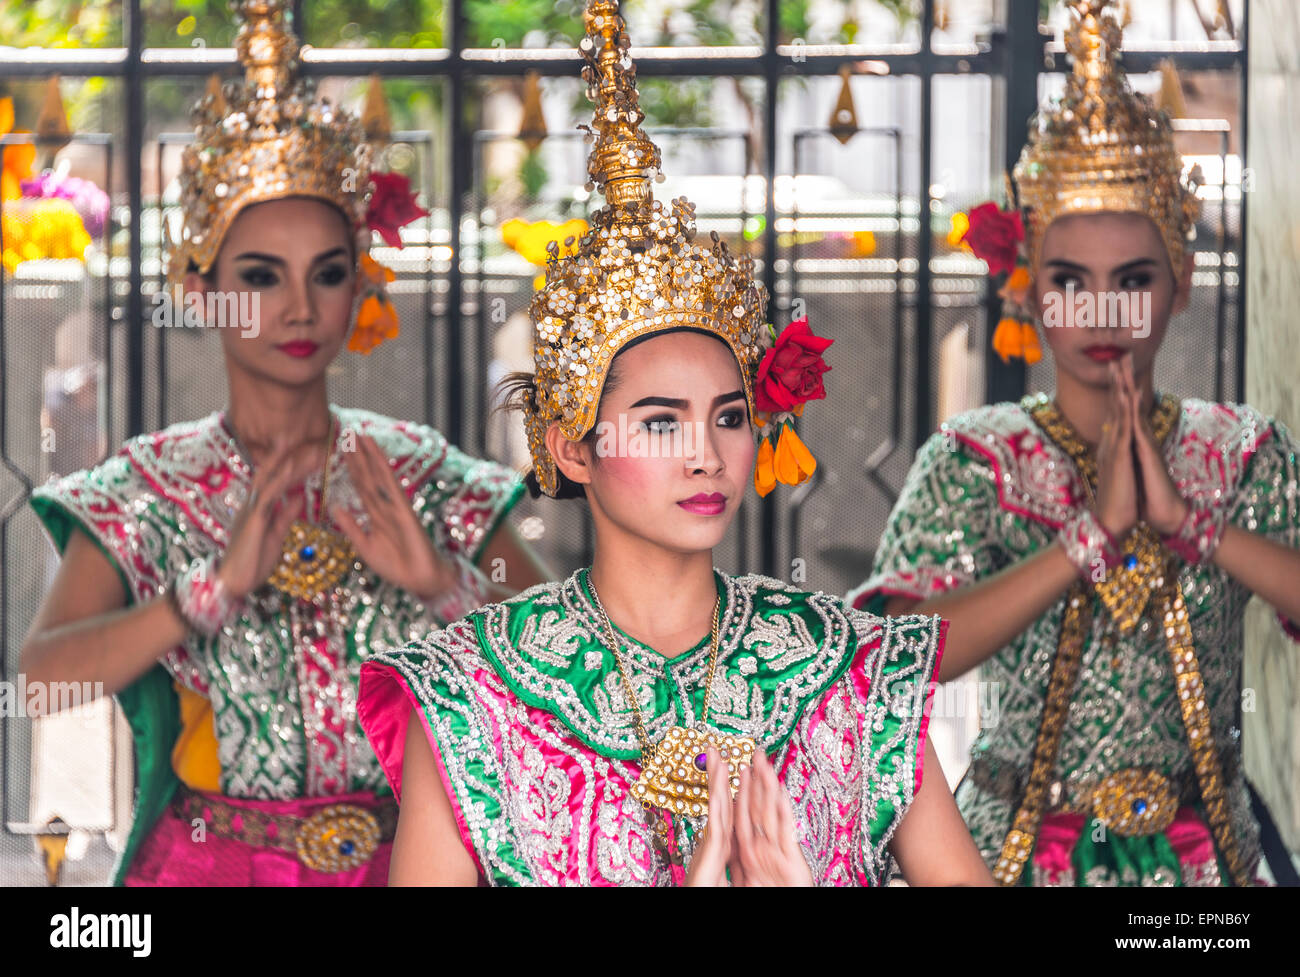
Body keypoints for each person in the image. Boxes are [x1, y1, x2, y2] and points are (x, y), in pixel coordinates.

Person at [355, 0, 992, 887]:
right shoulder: (474, 697)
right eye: (661, 421)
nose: (707, 454)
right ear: (569, 447)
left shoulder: (846, 668)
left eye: (729, 415)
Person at [20, 0, 548, 886]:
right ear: (199, 291)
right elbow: (41, 683)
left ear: (358, 287)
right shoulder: (148, 488)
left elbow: (567, 659)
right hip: (212, 865)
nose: (299, 307)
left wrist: (442, 584)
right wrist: (206, 593)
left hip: (411, 861)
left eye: (328, 274)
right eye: (260, 277)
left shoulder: (423, 476)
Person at [849, 0, 1300, 886]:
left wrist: (1191, 526)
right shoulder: (975, 457)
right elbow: (897, 660)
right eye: (1071, 281)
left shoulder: (1242, 450)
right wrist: (1085, 541)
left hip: (1205, 864)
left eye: (1133, 280)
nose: (1102, 313)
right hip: (1013, 853)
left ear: (1182, 281)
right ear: (1031, 290)